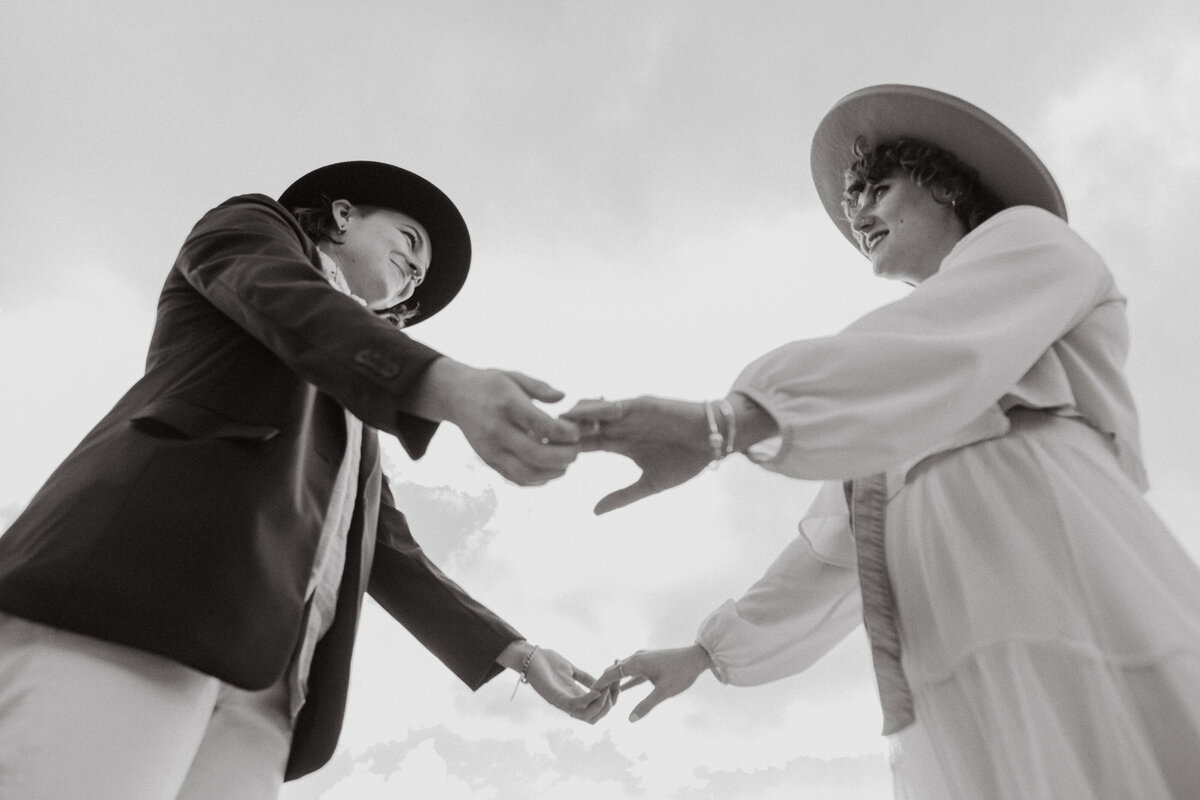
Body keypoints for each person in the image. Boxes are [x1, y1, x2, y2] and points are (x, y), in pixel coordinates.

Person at [568, 86, 1200, 798]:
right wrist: (706, 653)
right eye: (848, 202)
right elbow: (835, 546)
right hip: (948, 635)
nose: (857, 213)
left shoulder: (1031, 242)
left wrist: (728, 422)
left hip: (1053, 556)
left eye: (877, 188)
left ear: (947, 183)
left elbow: (935, 347)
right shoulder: (886, 388)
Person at [0, 160, 612, 800]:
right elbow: (286, 300)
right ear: (343, 215)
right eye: (410, 242)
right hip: (136, 601)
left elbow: (387, 549)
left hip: (267, 697)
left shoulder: (355, 419)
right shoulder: (250, 228)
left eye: (418, 282)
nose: (414, 277)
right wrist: (440, 381)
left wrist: (515, 652)